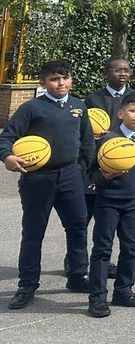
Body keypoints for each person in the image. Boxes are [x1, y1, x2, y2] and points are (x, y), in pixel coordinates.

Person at [0, 60, 95, 310]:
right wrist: (7, 157)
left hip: (71, 177)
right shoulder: (31, 108)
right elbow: (7, 137)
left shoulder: (79, 107)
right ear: (43, 83)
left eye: (65, 78)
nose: (61, 83)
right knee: (33, 233)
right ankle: (27, 285)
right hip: (38, 180)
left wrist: (83, 171)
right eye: (54, 79)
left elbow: (87, 143)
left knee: (77, 227)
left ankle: (76, 275)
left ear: (71, 80)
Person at [86, 92, 135, 318]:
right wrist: (103, 177)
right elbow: (91, 173)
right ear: (121, 113)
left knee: (131, 248)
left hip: (133, 203)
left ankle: (123, 291)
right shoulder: (108, 140)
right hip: (108, 202)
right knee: (102, 249)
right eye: (133, 110)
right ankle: (97, 298)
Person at [81, 57, 133, 226]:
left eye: (126, 70)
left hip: (124, 161)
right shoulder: (93, 99)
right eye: (117, 70)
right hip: (98, 161)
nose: (123, 74)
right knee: (83, 218)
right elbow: (84, 133)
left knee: (112, 223)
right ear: (105, 73)